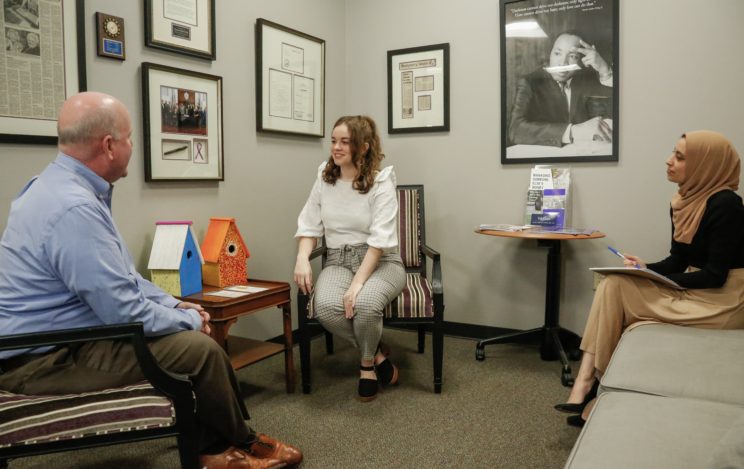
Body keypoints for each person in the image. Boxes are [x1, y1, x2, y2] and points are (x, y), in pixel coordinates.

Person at [0, 92, 302, 469]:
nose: (132, 146)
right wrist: (191, 319)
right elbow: (122, 309)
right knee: (200, 349)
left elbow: (124, 277)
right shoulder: (74, 208)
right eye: (129, 138)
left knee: (190, 336)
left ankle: (226, 442)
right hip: (44, 358)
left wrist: (175, 305)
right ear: (109, 146)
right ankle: (226, 447)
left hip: (65, 339)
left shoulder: (60, 188)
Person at [555, 130, 744, 427]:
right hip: (696, 289)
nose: (669, 161)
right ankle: (588, 385)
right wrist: (644, 268)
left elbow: (715, 276)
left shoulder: (726, 205)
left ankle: (588, 386)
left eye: (680, 157)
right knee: (614, 283)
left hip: (723, 302)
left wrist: (655, 279)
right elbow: (678, 260)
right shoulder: (683, 200)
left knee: (617, 292)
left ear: (705, 165)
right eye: (673, 152)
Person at [294, 115, 406, 402]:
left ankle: (366, 367)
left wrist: (357, 285)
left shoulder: (381, 182)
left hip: (381, 262)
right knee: (325, 306)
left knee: (366, 303)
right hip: (337, 260)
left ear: (364, 147)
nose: (336, 147)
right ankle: (378, 354)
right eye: (333, 141)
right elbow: (309, 224)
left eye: (345, 142)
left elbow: (380, 242)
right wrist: (302, 258)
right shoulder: (324, 178)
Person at [508, 31, 614, 147]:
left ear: (582, 60)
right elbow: (515, 129)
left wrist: (605, 71)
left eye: (572, 56)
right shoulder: (529, 82)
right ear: (550, 54)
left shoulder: (586, 78)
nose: (562, 63)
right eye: (557, 53)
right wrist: (574, 131)